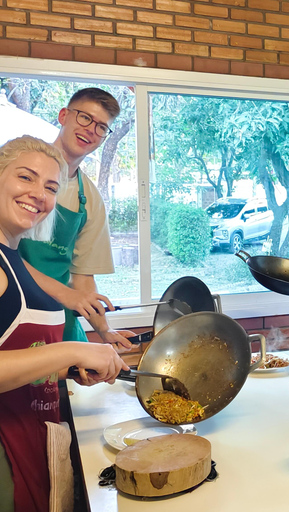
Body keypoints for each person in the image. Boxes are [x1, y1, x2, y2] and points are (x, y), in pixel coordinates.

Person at [0, 136, 127, 512]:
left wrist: (64, 370)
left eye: (51, 187)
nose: (39, 194)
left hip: (31, 441)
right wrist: (74, 348)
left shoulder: (12, 258)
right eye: (26, 177)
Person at [18, 88, 133, 349]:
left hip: (58, 322)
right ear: (63, 115)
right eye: (85, 118)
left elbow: (82, 278)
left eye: (102, 127)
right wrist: (66, 294)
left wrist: (105, 331)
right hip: (12, 313)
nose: (92, 129)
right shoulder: (14, 169)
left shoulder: (89, 199)